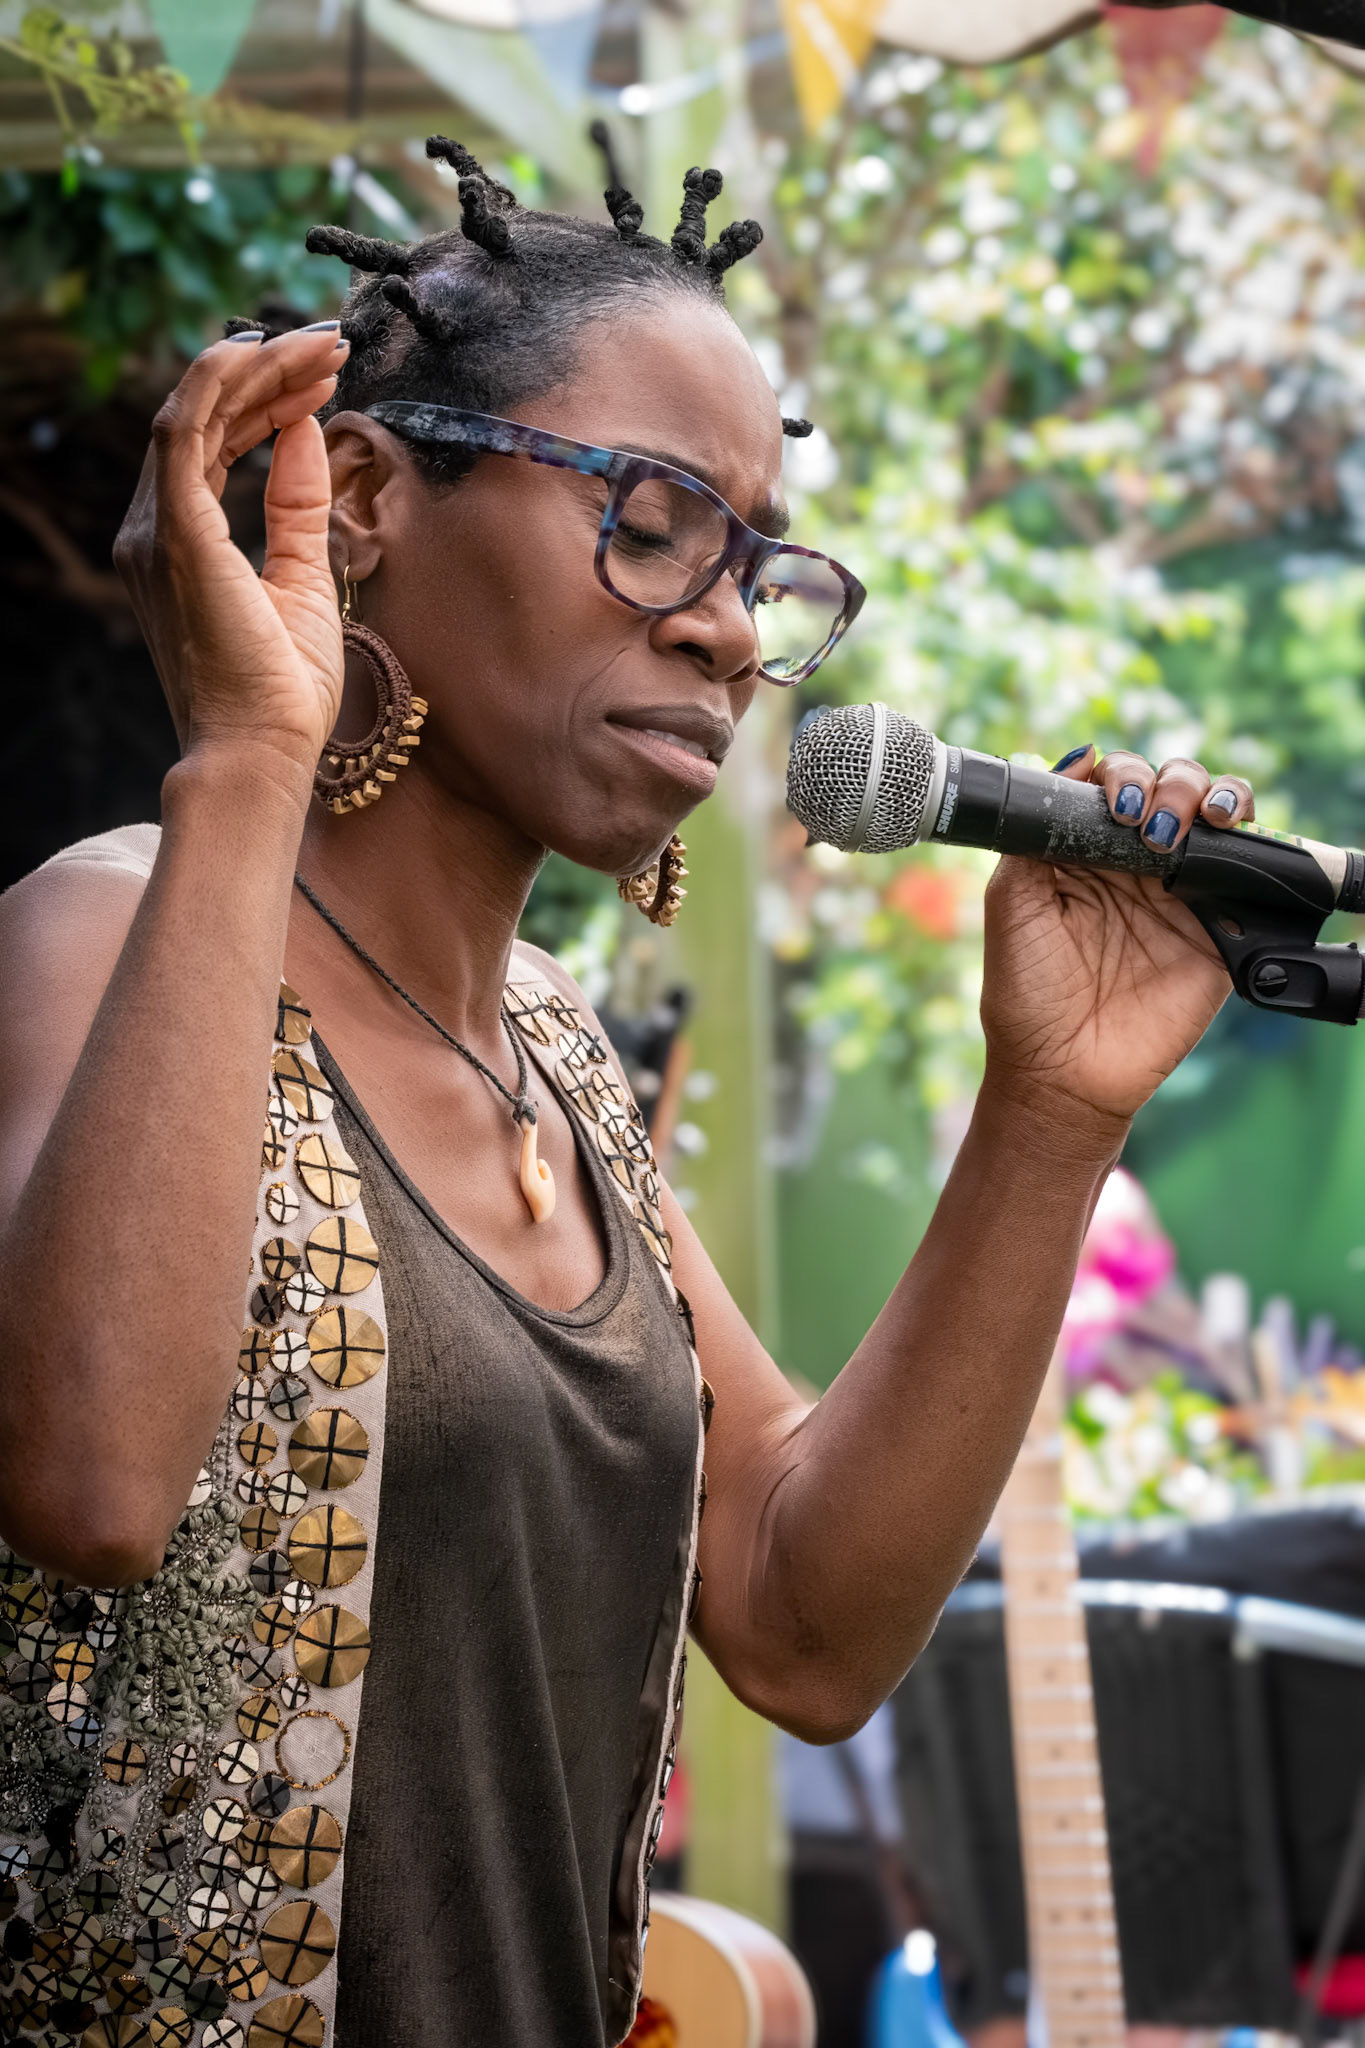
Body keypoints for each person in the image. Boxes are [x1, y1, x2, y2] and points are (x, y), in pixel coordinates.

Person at [0, 139, 1257, 2048]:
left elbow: (804, 1622)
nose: (729, 632)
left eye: (761, 567)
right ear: (362, 501)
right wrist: (249, 750)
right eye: (653, 519)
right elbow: (91, 1485)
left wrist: (1052, 1109)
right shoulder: (98, 939)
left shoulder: (560, 1055)